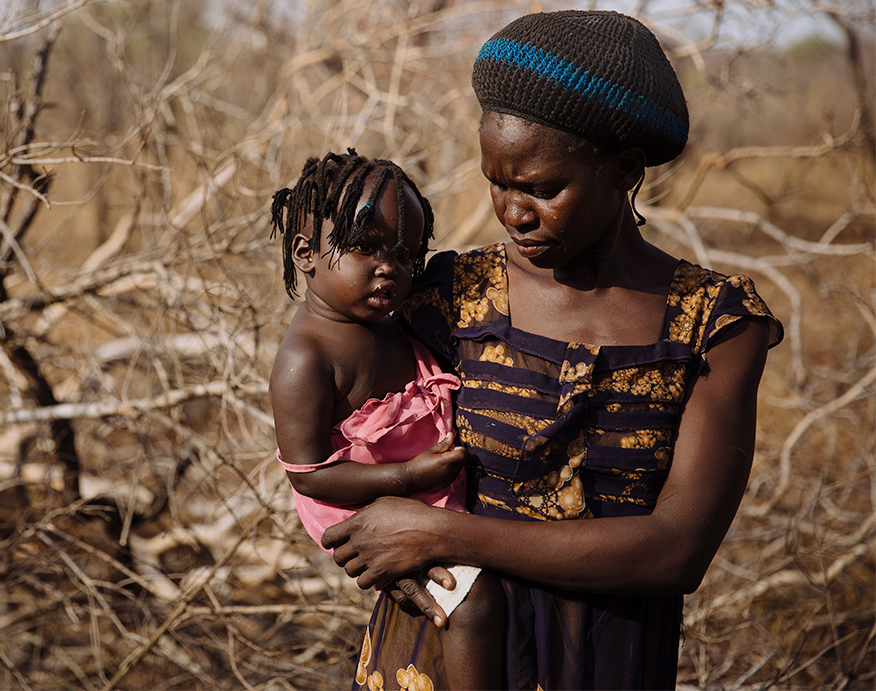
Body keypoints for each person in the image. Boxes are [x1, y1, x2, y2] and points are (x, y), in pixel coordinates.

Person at [320, 10, 785, 690]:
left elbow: (677, 550)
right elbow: (333, 426)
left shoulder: (714, 326)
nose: (512, 212)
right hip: (435, 660)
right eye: (497, 182)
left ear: (624, 170)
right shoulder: (450, 297)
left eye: (542, 188)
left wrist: (443, 535)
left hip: (600, 665)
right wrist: (373, 531)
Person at [269, 149, 505, 689]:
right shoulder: (306, 358)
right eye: (365, 248)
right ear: (305, 253)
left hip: (418, 489)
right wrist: (406, 478)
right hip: (357, 503)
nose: (388, 269)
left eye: (404, 255)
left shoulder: (395, 323)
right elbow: (308, 475)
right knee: (471, 603)